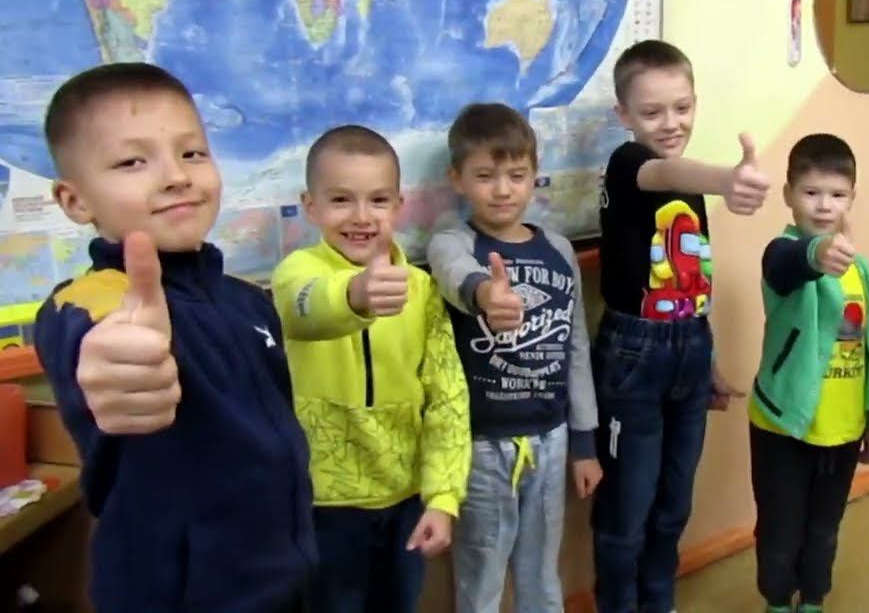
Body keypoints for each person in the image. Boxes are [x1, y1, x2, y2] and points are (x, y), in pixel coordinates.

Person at [32, 62, 316, 612]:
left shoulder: (246, 299)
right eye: (132, 161)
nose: (176, 176)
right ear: (75, 201)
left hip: (285, 576)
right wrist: (115, 362)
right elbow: (90, 340)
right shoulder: (91, 304)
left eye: (192, 153)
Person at [592, 39, 770, 613]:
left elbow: (690, 277)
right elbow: (663, 170)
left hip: (689, 348)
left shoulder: (689, 185)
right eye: (652, 112)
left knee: (673, 507)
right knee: (628, 511)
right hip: (634, 357)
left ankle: (658, 602)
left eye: (683, 107)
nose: (671, 123)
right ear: (624, 115)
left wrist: (705, 355)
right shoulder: (628, 164)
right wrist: (726, 178)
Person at [270, 125, 470, 613]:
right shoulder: (295, 274)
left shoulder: (421, 290)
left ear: (398, 205)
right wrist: (354, 293)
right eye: (341, 199)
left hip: (405, 501)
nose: (361, 217)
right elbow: (303, 307)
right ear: (311, 205)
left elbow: (447, 396)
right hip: (321, 506)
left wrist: (443, 497)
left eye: (378, 200)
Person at [426, 102, 602, 613]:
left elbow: (575, 347)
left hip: (551, 438)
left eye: (516, 175)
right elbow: (452, 271)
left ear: (534, 175)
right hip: (482, 447)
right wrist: (485, 293)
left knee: (541, 574)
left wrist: (584, 444)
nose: (502, 190)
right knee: (480, 576)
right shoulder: (454, 242)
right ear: (457, 179)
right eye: (485, 176)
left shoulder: (559, 250)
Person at [747, 133, 869, 613]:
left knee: (824, 529)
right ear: (789, 195)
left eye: (837, 194)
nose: (824, 205)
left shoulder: (859, 268)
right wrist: (815, 253)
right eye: (811, 192)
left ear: (852, 198)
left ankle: (813, 599)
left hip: (843, 430)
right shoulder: (784, 252)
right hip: (783, 427)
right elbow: (786, 264)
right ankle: (776, 601)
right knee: (780, 529)